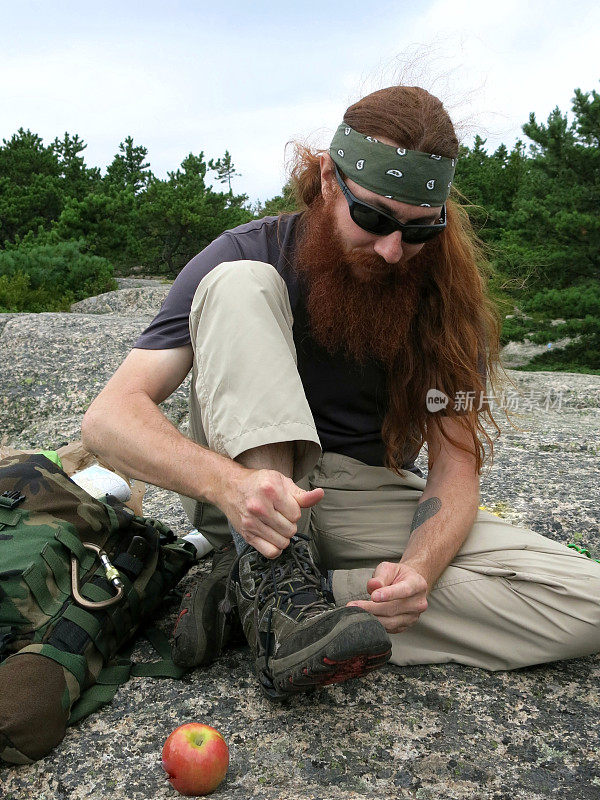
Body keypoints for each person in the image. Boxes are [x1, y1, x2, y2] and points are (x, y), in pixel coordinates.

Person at [82, 85, 600, 701]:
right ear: (329, 176)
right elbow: (109, 419)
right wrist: (229, 486)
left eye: (418, 231)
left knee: (584, 602)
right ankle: (271, 579)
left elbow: (455, 468)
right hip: (247, 496)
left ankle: (272, 604)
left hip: (361, 493)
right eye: (375, 218)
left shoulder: (445, 297)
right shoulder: (250, 251)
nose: (391, 250)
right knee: (240, 286)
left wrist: (418, 572)